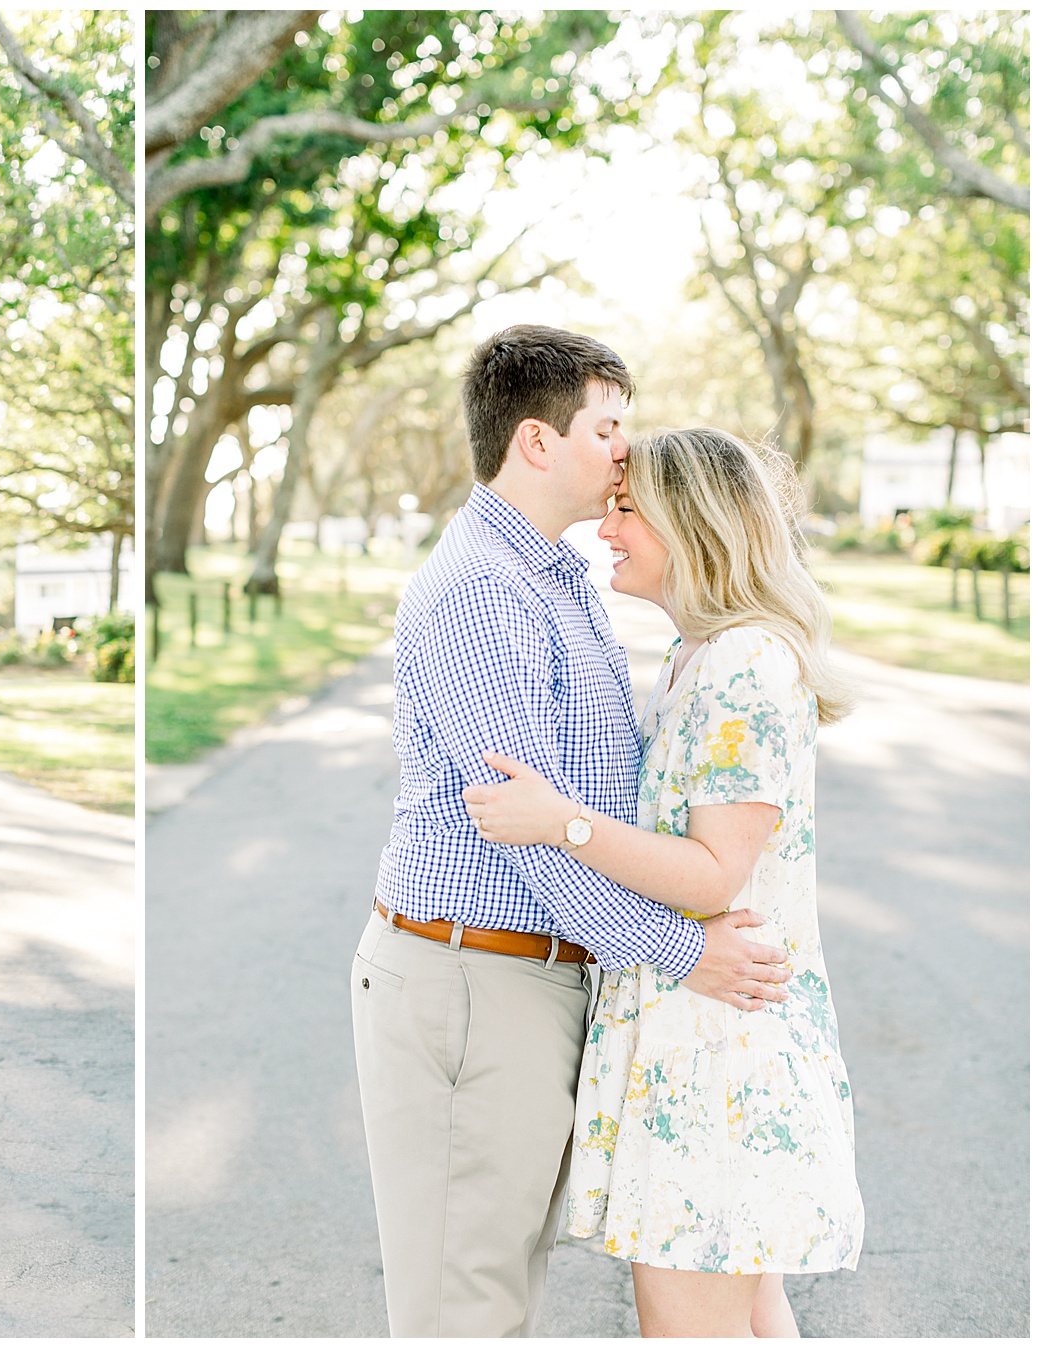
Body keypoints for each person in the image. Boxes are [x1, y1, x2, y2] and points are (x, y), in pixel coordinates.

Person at [351, 325, 794, 1338]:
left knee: (501, 1283)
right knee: (468, 1308)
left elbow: (586, 809)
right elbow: (528, 833)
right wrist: (686, 951)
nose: (624, 450)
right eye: (607, 428)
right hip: (474, 976)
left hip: (539, 976)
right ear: (537, 442)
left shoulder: (556, 578)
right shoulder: (481, 591)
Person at [462, 426, 864, 1336]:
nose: (605, 530)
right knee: (751, 1322)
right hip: (699, 1034)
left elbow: (717, 872)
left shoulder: (744, 662)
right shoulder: (699, 655)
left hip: (721, 1051)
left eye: (628, 510)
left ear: (695, 524)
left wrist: (559, 822)